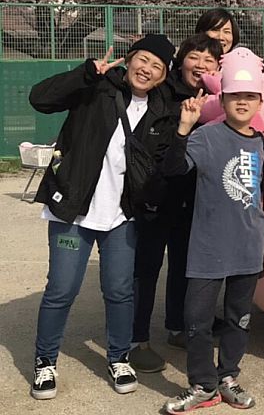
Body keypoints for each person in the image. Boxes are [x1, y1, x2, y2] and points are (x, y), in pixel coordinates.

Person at [161, 47, 264, 413]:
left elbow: (254, 182)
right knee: (196, 321)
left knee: (239, 319)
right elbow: (172, 170)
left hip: (247, 245)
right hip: (208, 247)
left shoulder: (260, 141)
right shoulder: (206, 136)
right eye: (234, 96)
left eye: (249, 97)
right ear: (222, 99)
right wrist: (182, 129)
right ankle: (203, 384)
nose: (242, 103)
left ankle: (228, 376)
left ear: (259, 102)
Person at [28, 34, 176, 400]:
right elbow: (40, 98)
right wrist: (85, 74)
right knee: (61, 291)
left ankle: (119, 356)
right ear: (129, 59)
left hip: (121, 217)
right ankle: (45, 362)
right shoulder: (97, 88)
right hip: (72, 211)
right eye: (143, 60)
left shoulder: (161, 111)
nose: (147, 69)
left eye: (157, 66)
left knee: (120, 291)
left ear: (163, 75)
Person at [129, 34, 223, 373]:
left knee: (184, 267)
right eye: (194, 56)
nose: (200, 65)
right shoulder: (160, 91)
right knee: (146, 271)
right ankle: (136, 340)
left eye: (209, 60)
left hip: (192, 201)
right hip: (154, 198)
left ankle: (177, 328)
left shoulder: (218, 99)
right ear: (181, 60)